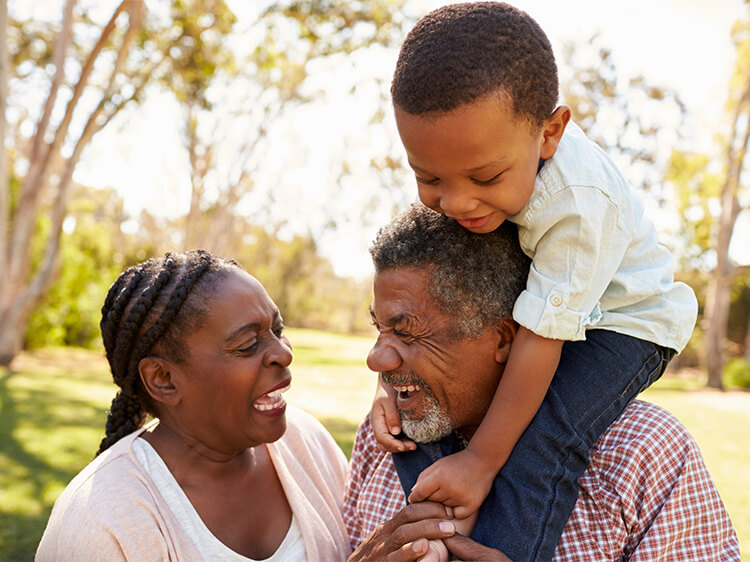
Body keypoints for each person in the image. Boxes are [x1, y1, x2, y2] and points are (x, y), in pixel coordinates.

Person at [369, 3, 699, 559]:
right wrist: (392, 383)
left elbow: (540, 341)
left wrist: (480, 462)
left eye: (485, 177)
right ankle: (441, 538)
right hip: (554, 313)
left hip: (625, 324)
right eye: (428, 177)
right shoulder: (488, 167)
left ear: (550, 133)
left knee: (546, 434)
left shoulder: (575, 207)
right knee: (424, 418)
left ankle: (505, 551)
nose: (456, 202)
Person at [348, 204, 740, 561]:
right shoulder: (382, 435)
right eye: (378, 328)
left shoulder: (643, 452)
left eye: (407, 333)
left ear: (505, 337)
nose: (375, 358)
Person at [36, 250, 351, 561]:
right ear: (163, 379)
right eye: (248, 344)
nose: (283, 353)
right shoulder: (100, 523)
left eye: (278, 330)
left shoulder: (308, 441)